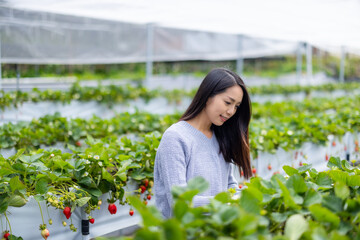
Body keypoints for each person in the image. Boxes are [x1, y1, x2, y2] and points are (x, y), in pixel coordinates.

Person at [154, 68, 252, 218]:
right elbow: (180, 202)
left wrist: (246, 196)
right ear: (208, 96)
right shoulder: (175, 138)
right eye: (228, 102)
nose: (231, 111)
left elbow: (229, 185)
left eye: (236, 106)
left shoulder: (220, 137)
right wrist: (227, 201)